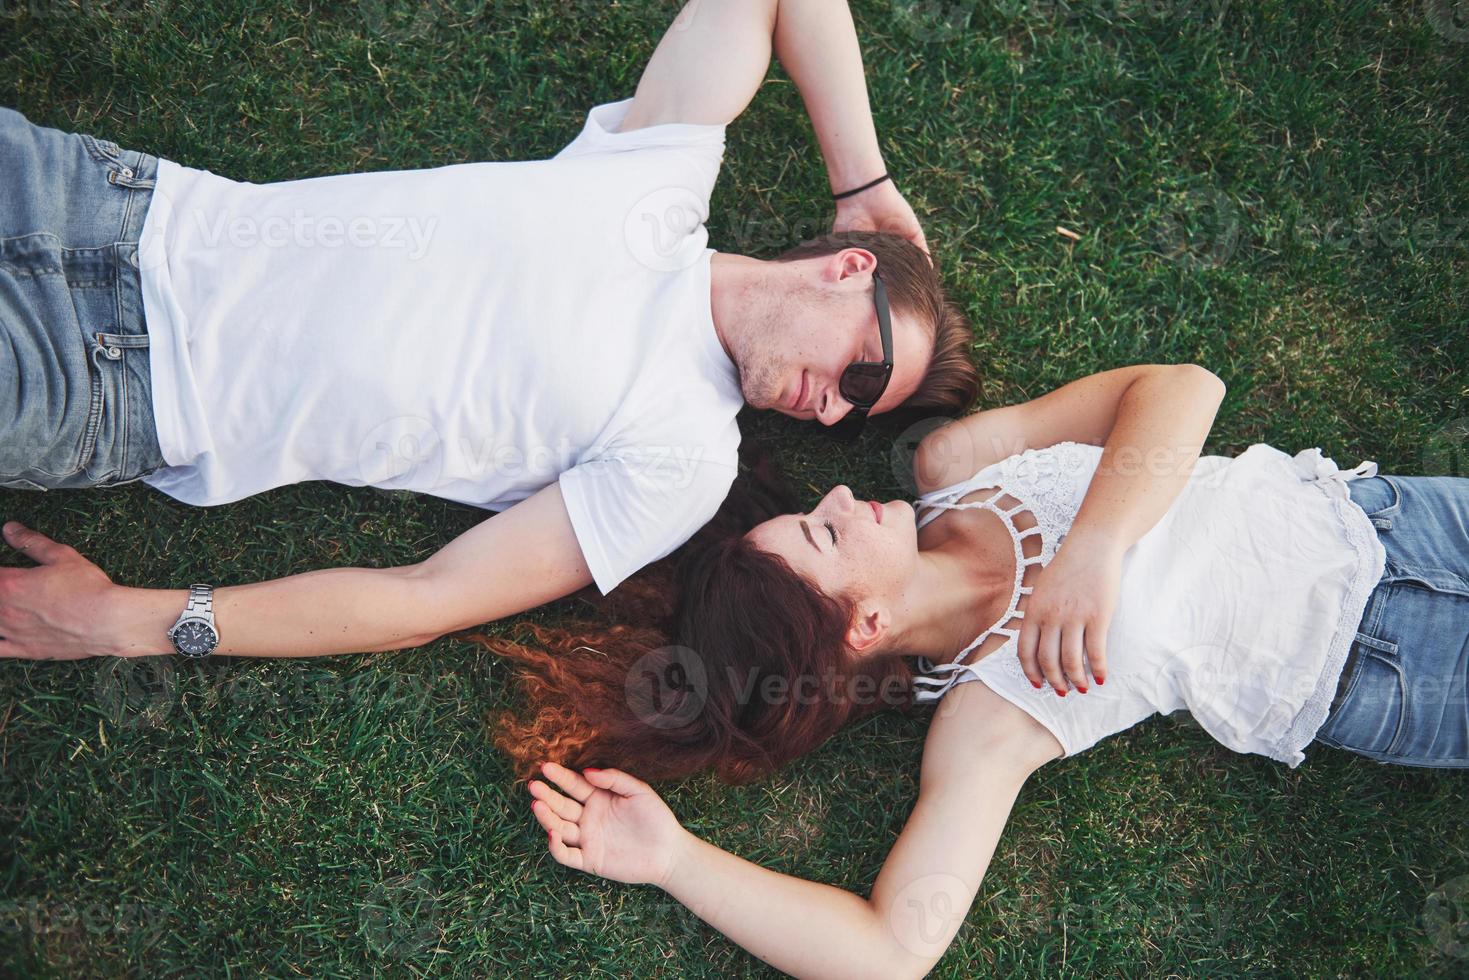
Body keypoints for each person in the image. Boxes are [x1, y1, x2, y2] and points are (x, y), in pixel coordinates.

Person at [0, 0, 978, 662]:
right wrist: (863, 186)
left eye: (854, 417)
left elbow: (426, 595)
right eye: (862, 369)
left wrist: (125, 622)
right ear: (846, 269)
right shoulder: (656, 179)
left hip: (111, 387)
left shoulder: (679, 461)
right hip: (123, 203)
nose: (830, 407)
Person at [512, 363, 1468, 979]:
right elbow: (890, 953)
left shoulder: (958, 463)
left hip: (1391, 517)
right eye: (822, 531)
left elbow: (1182, 390)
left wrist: (1093, 548)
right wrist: (676, 861)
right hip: (1380, 675)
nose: (842, 494)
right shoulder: (988, 719)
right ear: (867, 624)